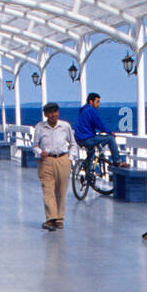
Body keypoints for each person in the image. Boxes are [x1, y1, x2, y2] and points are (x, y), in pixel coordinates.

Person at [32, 102, 75, 231]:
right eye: (49, 113)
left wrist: (70, 158)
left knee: (61, 191)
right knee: (48, 190)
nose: (52, 115)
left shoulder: (65, 126)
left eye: (54, 112)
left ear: (58, 112)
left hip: (62, 160)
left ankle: (59, 220)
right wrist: (40, 152)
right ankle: (51, 219)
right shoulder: (40, 127)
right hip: (46, 161)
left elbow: (73, 143)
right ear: (45, 114)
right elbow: (34, 145)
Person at [73, 93, 123, 166]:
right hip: (87, 138)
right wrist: (110, 132)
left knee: (91, 150)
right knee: (110, 139)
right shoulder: (91, 110)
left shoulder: (83, 110)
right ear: (91, 102)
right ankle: (117, 161)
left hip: (78, 139)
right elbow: (99, 125)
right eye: (97, 102)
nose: (98, 104)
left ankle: (87, 169)